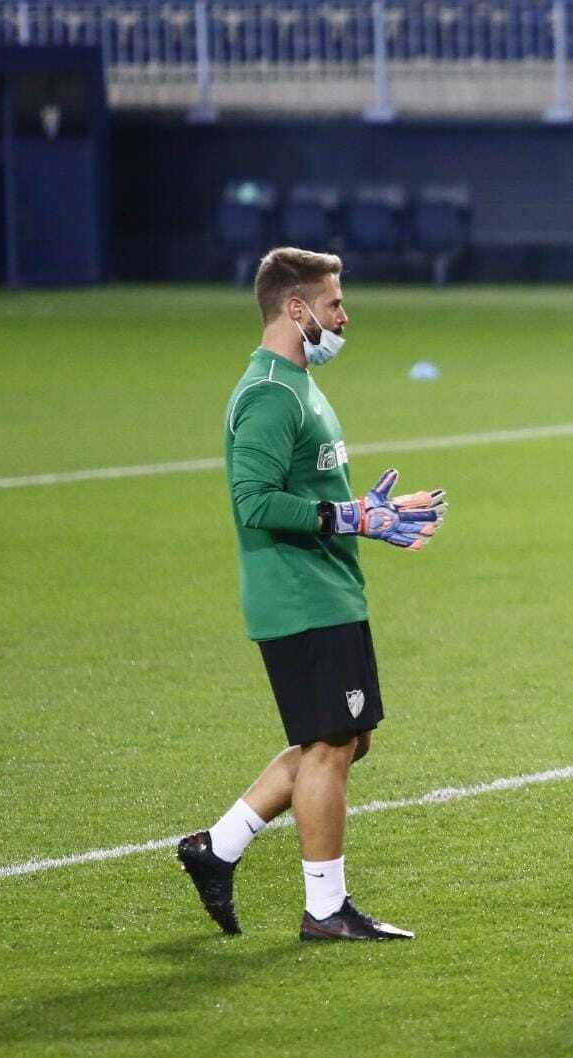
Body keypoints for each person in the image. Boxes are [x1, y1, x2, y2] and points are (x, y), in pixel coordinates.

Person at [177, 247, 448, 943]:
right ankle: (325, 909)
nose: (344, 317)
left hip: (325, 587)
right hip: (300, 597)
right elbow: (255, 500)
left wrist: (369, 512)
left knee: (347, 738)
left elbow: (316, 492)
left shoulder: (295, 382)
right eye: (333, 305)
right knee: (329, 741)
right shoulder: (269, 394)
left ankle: (220, 846)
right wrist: (347, 516)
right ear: (295, 309)